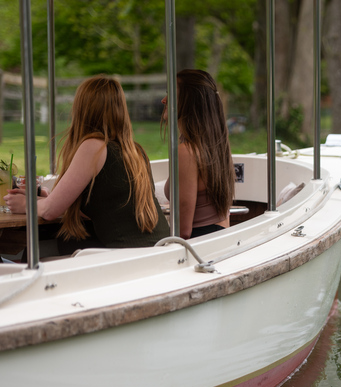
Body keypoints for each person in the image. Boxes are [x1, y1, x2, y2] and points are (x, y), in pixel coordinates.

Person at [4, 76, 169, 253]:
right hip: (162, 250)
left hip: (130, 259)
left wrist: (25, 205)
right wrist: (47, 199)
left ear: (81, 109)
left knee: (34, 254)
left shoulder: (94, 147)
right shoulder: (135, 151)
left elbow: (50, 212)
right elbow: (106, 208)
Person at [162, 69, 235, 239]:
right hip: (217, 239)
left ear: (189, 101)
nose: (163, 100)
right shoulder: (216, 147)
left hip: (196, 246)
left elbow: (182, 232)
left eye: (171, 94)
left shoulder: (186, 152)